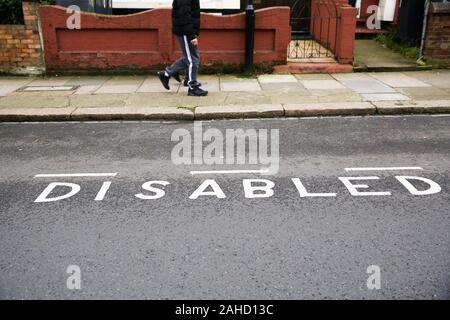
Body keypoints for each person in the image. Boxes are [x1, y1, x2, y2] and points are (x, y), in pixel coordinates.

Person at [158, 0, 208, 96]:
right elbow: (184, 16)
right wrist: (191, 35)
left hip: (187, 31)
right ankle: (192, 86)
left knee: (190, 57)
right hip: (186, 32)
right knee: (193, 59)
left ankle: (167, 74)